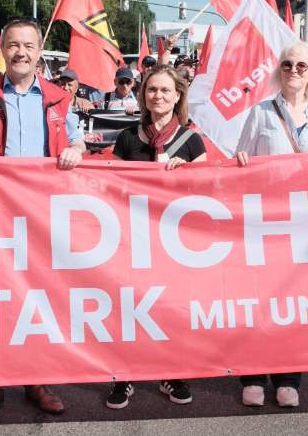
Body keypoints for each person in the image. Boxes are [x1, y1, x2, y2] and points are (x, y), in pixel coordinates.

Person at [0, 18, 85, 420]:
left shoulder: (59, 99)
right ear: (2, 49)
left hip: (44, 214)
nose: (21, 52)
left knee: (40, 300)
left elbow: (77, 139)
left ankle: (36, 380)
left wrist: (77, 150)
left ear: (39, 50)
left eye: (28, 45)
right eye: (14, 45)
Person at [234, 42, 308, 408]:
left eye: (301, 66)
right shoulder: (261, 112)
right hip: (263, 222)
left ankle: (288, 377)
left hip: (302, 224)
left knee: (293, 303)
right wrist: (241, 159)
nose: (293, 71)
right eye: (287, 64)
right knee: (259, 300)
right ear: (278, 70)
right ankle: (252, 375)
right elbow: (240, 164)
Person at [105, 65, 206, 409]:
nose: (158, 96)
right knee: (128, 307)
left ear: (178, 96)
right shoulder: (128, 138)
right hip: (133, 238)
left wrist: (188, 174)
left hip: (174, 241)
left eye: (165, 91)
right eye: (151, 90)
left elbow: (210, 192)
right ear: (143, 95)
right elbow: (109, 185)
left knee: (169, 308)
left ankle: (171, 372)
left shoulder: (191, 140)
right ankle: (124, 375)